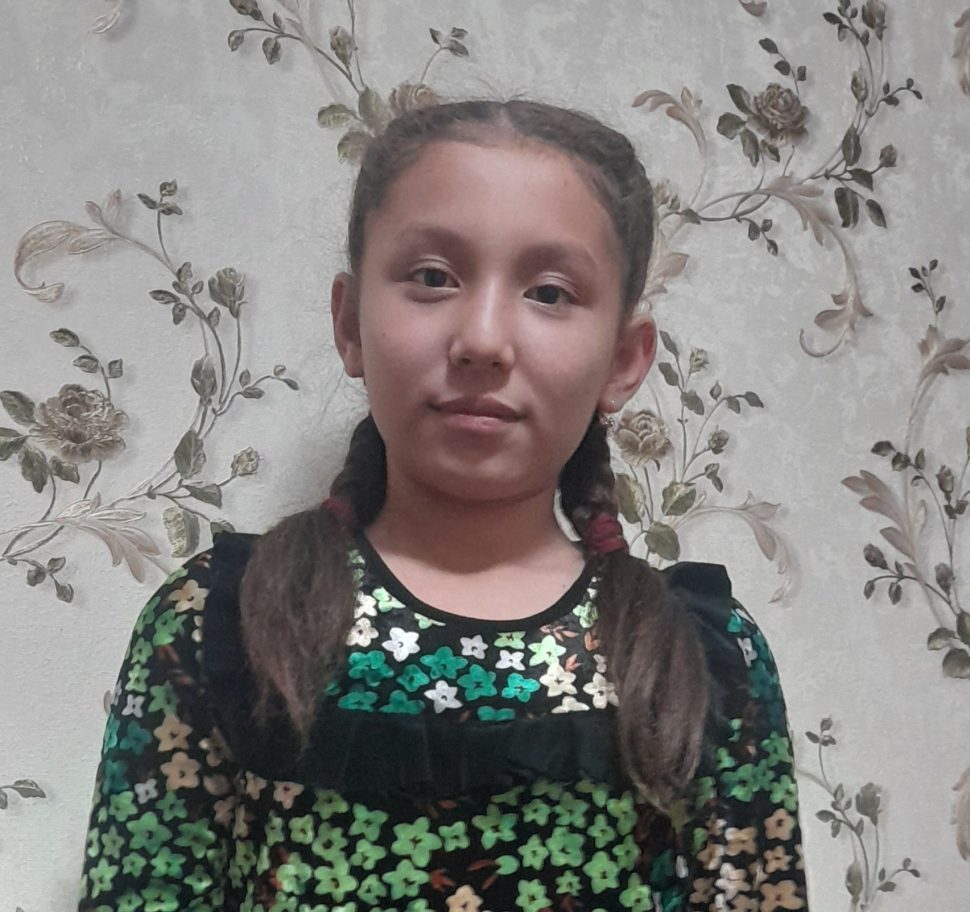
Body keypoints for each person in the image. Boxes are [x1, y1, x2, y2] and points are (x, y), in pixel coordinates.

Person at [78, 98, 807, 912]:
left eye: (551, 291)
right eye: (432, 277)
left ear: (625, 360)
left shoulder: (706, 658)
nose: (484, 339)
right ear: (349, 323)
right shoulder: (222, 621)